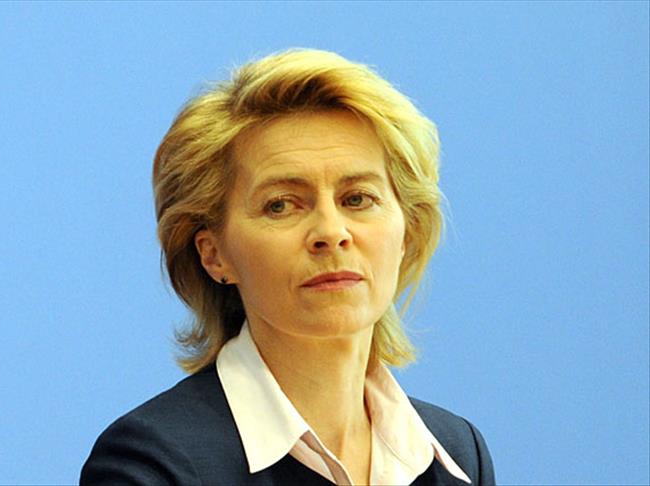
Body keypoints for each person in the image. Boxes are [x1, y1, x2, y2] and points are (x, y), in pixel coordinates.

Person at [80, 48, 495, 486]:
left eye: (357, 199)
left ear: (407, 230)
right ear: (214, 255)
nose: (331, 232)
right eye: (280, 205)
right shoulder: (153, 462)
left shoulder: (456, 452)